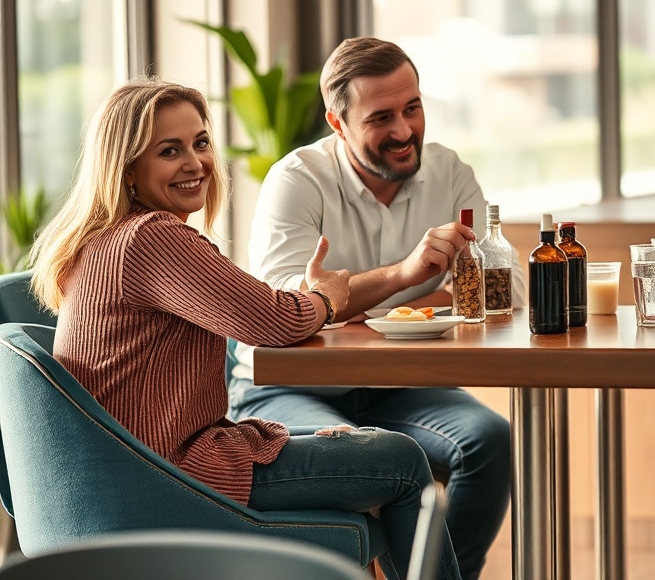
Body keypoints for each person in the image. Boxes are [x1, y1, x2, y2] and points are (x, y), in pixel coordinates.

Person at [29, 79, 462, 580]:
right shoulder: (156, 239)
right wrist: (322, 298)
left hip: (138, 467)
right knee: (403, 462)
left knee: (361, 441)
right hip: (172, 472)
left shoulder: (106, 240)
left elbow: (277, 310)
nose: (196, 163)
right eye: (171, 150)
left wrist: (320, 297)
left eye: (201, 142)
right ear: (127, 170)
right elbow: (275, 322)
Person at [228, 36, 525, 580]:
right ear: (337, 124)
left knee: (489, 440)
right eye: (381, 117)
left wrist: (372, 313)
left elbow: (508, 288)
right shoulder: (296, 181)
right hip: (289, 389)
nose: (404, 131)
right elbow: (279, 311)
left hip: (403, 384)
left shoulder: (449, 172)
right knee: (375, 455)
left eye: (413, 108)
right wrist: (406, 276)